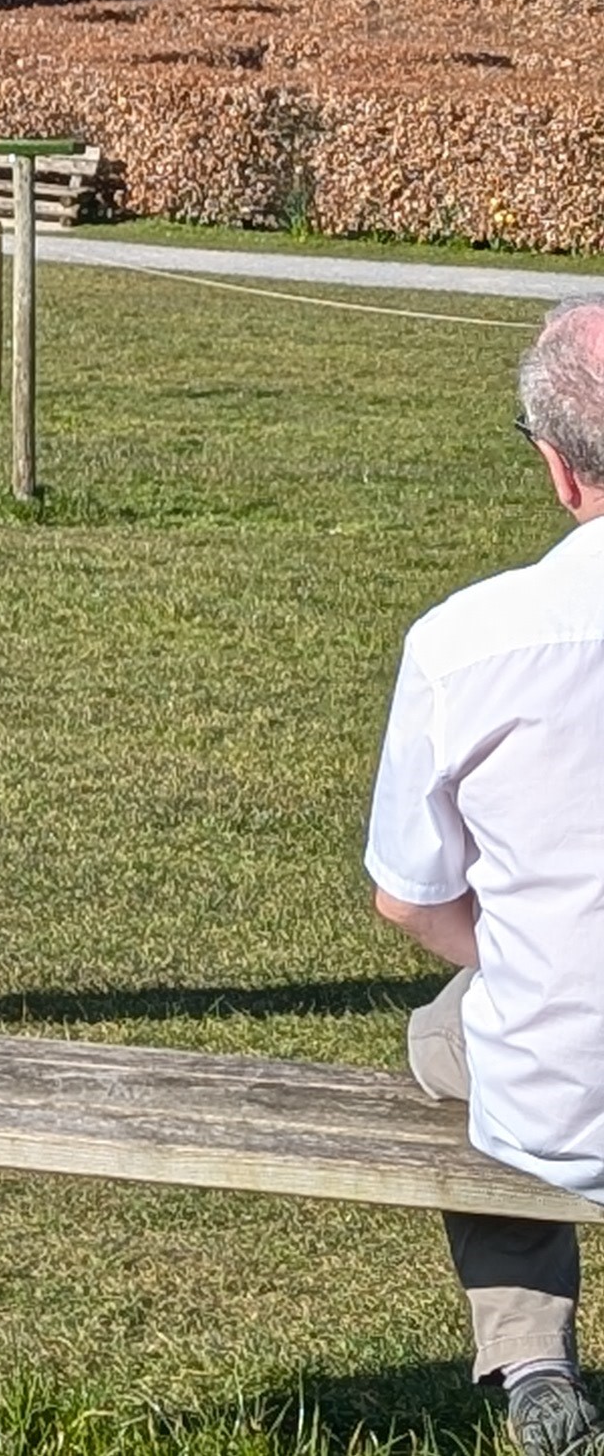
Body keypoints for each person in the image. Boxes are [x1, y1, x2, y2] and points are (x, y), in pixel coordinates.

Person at [369, 297, 604, 1454]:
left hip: (558, 1079)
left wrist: (511, 955)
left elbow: (408, 896)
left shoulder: (468, 643)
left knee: (455, 1036)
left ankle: (532, 1361)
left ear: (557, 468)